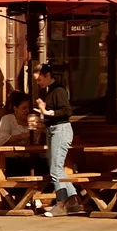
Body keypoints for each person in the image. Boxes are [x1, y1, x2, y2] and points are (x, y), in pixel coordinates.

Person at [32, 63, 76, 217]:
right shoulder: (48, 92)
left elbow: (66, 111)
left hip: (61, 130)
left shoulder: (59, 90)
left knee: (55, 168)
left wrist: (47, 112)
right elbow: (52, 113)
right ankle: (73, 201)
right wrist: (43, 114)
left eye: (39, 80)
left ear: (47, 75)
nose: (38, 83)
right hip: (52, 130)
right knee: (56, 166)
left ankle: (60, 205)